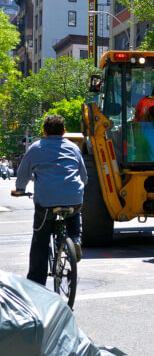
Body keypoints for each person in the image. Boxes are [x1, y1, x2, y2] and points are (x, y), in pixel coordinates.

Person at [11, 115, 88, 284]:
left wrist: (20, 190)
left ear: (44, 132)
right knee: (74, 214)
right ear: (64, 132)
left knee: (40, 239)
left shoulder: (36, 147)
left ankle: (36, 283)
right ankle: (75, 239)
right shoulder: (74, 148)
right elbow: (84, 176)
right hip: (74, 197)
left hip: (46, 202)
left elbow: (23, 174)